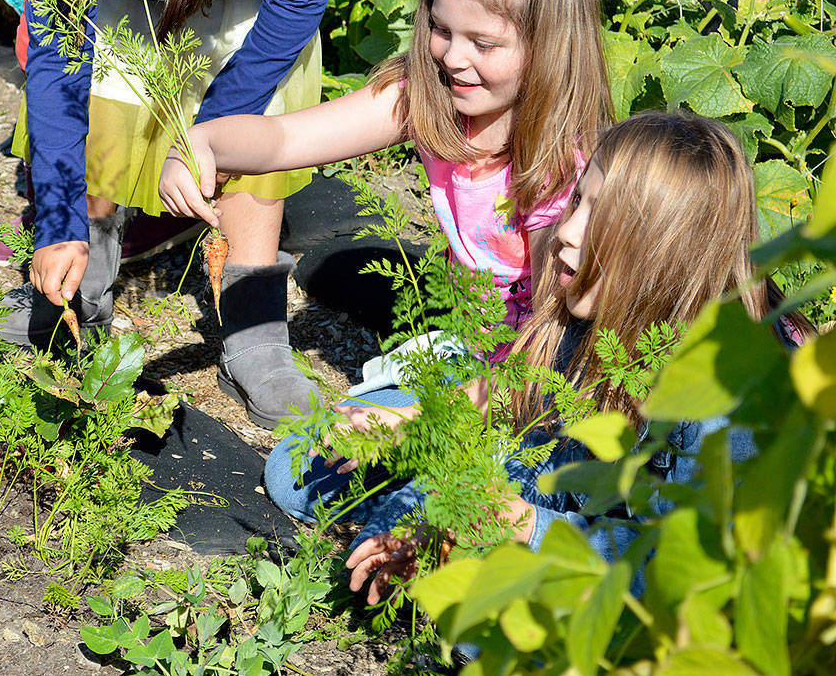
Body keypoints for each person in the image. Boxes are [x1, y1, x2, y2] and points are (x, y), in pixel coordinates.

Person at [258, 112, 812, 606]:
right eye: (578, 202)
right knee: (303, 472)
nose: (567, 233)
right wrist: (427, 426)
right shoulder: (580, 307)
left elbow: (679, 572)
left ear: (665, 253)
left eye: (602, 220)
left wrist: (518, 525)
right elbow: (518, 407)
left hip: (616, 559)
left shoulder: (723, 395)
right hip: (539, 476)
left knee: (491, 615)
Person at [160, 0, 614, 371]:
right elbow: (283, 141)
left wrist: (476, 405)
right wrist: (202, 142)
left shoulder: (561, 163)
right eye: (441, 29)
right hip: (471, 349)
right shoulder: (428, 97)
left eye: (483, 44)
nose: (454, 57)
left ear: (550, 44)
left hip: (542, 372)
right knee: (312, 445)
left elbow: (553, 322)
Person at [1, 0, 332, 427]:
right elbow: (57, 66)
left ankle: (255, 337)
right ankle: (78, 300)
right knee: (103, 117)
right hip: (124, 7)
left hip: (243, 7)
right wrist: (57, 221)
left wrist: (216, 128)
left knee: (254, 144)